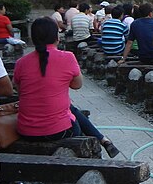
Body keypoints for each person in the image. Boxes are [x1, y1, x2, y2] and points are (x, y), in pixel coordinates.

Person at [13, 17, 118, 156]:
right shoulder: (67, 57)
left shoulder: (21, 63)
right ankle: (102, 140)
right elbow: (77, 85)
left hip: (26, 130)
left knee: (68, 108)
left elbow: (20, 92)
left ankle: (104, 140)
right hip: (58, 131)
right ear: (56, 36)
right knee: (70, 111)